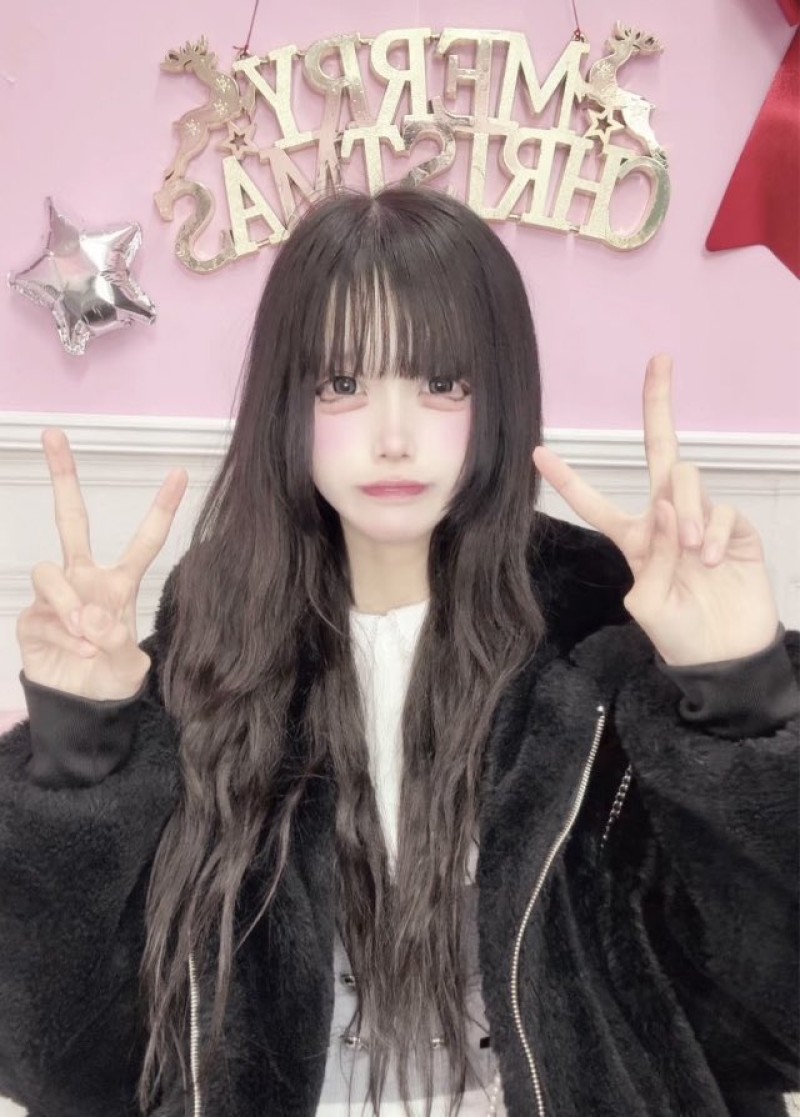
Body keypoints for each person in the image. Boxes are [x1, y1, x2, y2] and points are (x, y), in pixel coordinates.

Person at [0, 186, 797, 1117]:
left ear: (501, 393)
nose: (392, 437)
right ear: (285, 402)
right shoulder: (213, 659)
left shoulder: (605, 647)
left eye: (441, 383)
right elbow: (64, 1072)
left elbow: (775, 1030)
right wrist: (78, 753)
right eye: (341, 383)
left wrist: (740, 693)